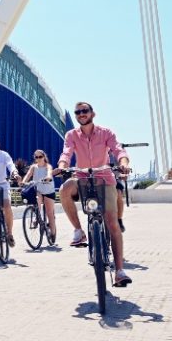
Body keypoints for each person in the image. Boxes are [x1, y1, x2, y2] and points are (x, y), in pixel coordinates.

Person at [53, 102, 132, 287]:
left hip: (105, 180)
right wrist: (63, 166)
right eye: (78, 112)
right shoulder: (72, 135)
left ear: (92, 114)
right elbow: (66, 153)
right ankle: (79, 232)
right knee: (65, 189)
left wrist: (124, 162)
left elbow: (118, 150)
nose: (81, 114)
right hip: (83, 179)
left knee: (112, 223)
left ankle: (119, 271)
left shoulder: (106, 133)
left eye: (84, 111)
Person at [20, 149, 57, 242]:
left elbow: (49, 172)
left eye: (40, 156)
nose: (38, 159)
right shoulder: (33, 167)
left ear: (44, 157)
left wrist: (48, 177)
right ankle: (37, 218)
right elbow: (28, 175)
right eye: (36, 157)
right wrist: (23, 182)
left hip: (49, 191)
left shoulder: (48, 166)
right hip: (39, 190)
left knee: (50, 213)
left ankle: (53, 233)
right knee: (37, 199)